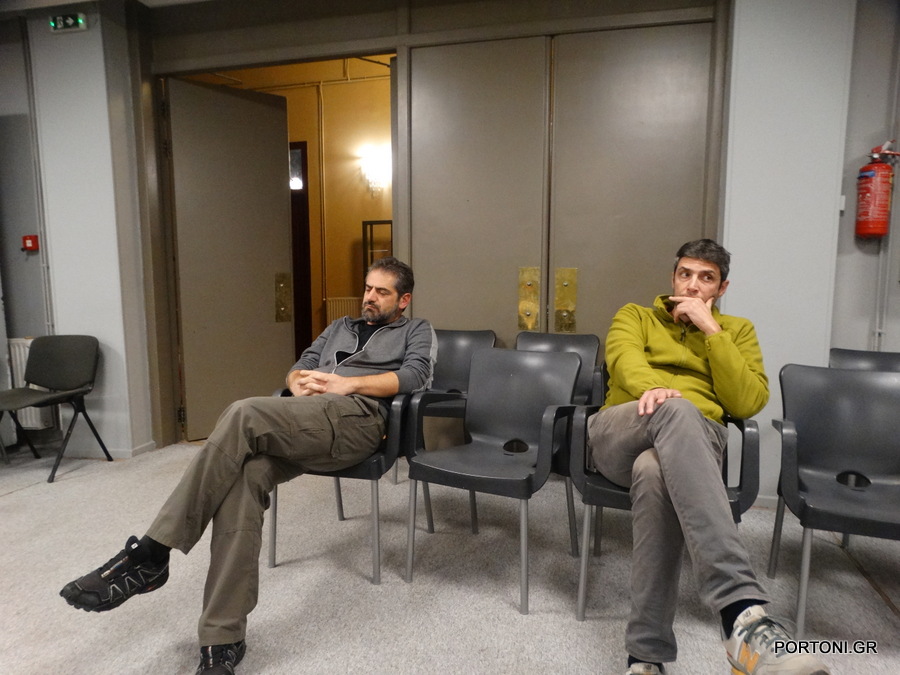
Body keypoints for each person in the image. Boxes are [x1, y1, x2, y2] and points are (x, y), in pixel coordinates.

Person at [60, 256, 436, 674]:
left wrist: (346, 384)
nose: (370, 297)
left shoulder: (416, 330)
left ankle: (152, 551)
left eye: (382, 292)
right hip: (307, 417)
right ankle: (222, 638)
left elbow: (416, 375)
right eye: (367, 288)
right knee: (244, 477)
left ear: (403, 300)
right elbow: (302, 365)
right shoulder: (339, 326)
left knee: (244, 413)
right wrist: (298, 383)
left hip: (360, 421)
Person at [587, 240, 829, 675]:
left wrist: (713, 332)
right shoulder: (635, 315)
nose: (693, 285)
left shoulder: (737, 331)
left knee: (655, 471)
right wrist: (654, 390)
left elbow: (748, 401)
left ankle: (645, 656)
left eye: (706, 278)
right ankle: (740, 612)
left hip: (690, 448)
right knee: (675, 410)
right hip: (622, 429)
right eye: (685, 274)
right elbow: (622, 359)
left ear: (722, 288)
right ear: (673, 277)